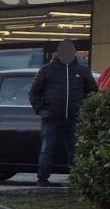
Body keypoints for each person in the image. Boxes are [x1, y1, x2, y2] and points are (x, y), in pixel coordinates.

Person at [29, 39, 98, 186]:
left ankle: (76, 180)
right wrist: (41, 110)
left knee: (75, 149)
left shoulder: (82, 71)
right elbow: (34, 93)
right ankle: (42, 180)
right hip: (51, 117)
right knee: (47, 149)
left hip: (75, 117)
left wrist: (85, 108)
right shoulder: (47, 70)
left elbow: (93, 91)